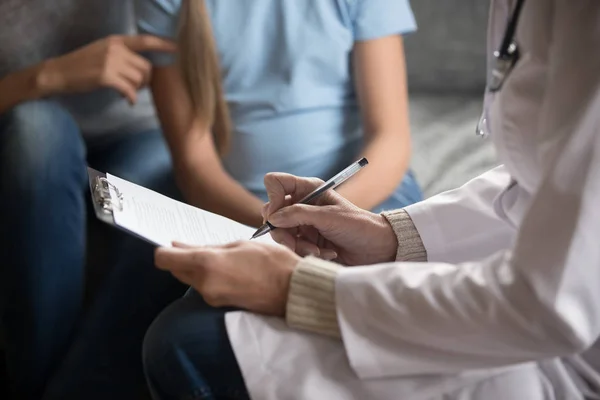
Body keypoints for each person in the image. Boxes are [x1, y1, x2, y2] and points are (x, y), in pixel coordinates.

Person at [143, 0, 600, 399]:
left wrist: (298, 289)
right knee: (195, 313)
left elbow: (550, 304)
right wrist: (391, 235)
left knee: (184, 341)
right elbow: (540, 184)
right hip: (533, 308)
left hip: (566, 358)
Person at [0, 1, 187, 399]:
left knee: (158, 196)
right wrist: (49, 75)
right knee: (36, 137)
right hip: (27, 120)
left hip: (138, 128)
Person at [134, 0, 422, 230]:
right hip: (237, 212)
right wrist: (274, 224)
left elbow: (390, 139)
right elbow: (195, 164)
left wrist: (327, 216)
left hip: (364, 196)